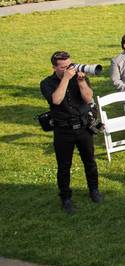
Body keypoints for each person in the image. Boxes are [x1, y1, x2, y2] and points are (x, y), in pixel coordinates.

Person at [40, 51, 100, 213]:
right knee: (64, 166)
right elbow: (56, 100)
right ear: (54, 67)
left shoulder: (79, 77)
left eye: (70, 65)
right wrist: (66, 78)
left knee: (90, 161)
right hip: (63, 130)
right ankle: (65, 197)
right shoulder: (46, 83)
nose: (68, 69)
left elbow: (88, 99)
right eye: (64, 67)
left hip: (83, 127)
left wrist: (81, 81)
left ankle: (94, 189)